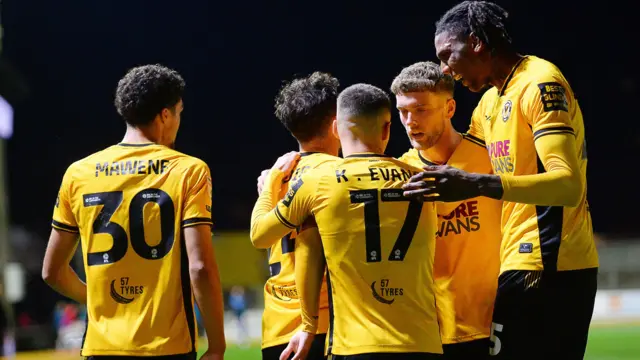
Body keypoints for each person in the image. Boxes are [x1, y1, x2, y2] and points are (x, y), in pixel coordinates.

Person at [403, 2, 599, 359]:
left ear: (476, 42)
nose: (445, 69)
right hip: (521, 264)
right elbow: (457, 154)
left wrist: (477, 185)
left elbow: (567, 184)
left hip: (550, 265)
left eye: (448, 55)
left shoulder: (539, 82)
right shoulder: (490, 102)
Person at [41, 64, 226, 360]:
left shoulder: (78, 173)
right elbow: (200, 267)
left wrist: (97, 298)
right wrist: (217, 345)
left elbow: (52, 271)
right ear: (165, 115)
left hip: (101, 347)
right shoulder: (188, 170)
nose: (178, 121)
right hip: (167, 346)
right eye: (178, 112)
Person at [251, 84, 442, 360]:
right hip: (420, 337)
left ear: (338, 127)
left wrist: (268, 187)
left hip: (305, 330)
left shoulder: (301, 180)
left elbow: (287, 241)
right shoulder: (423, 178)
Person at [391, 61, 501, 359]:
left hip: (496, 321)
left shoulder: (489, 156)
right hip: (429, 329)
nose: (410, 121)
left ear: (449, 109)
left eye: (421, 110)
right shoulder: (400, 172)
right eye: (403, 112)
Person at [251, 72, 341, 360]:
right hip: (327, 326)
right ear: (337, 124)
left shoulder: (276, 177)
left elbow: (259, 234)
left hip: (276, 328)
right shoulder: (340, 174)